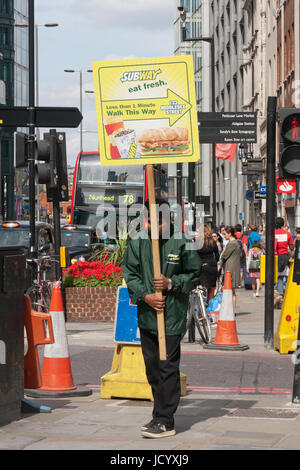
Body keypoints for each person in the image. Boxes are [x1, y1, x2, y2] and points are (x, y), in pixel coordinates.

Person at [122, 200, 202, 439]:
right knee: (153, 369)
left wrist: (171, 283)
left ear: (169, 220)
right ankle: (159, 414)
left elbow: (194, 274)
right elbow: (130, 274)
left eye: (160, 220)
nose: (154, 225)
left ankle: (166, 420)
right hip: (148, 316)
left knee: (168, 368)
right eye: (150, 220)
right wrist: (145, 296)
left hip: (172, 316)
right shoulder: (137, 243)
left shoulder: (182, 241)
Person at [217, 226, 240, 312]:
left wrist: (219, 265)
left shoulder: (232, 244)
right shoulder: (236, 243)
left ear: (230, 234)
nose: (224, 236)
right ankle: (232, 310)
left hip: (230, 268)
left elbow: (224, 256)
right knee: (232, 291)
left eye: (225, 234)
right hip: (234, 267)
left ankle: (230, 310)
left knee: (228, 290)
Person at [196, 224, 219, 304]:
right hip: (212, 266)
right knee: (211, 289)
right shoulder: (212, 242)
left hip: (201, 266)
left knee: (200, 288)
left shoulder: (197, 242)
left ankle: (200, 308)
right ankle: (209, 309)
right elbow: (217, 256)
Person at [274, 217, 294, 298]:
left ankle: (278, 292)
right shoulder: (287, 234)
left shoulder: (272, 233)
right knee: (283, 275)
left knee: (276, 275)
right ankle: (281, 292)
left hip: (275, 256)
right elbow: (291, 247)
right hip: (284, 256)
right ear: (283, 224)